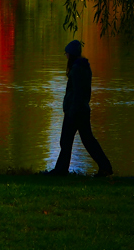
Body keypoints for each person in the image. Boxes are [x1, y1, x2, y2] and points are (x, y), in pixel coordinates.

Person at [50, 39, 113, 176]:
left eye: (67, 54)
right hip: (82, 109)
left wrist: (72, 110)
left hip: (75, 111)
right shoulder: (84, 67)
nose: (66, 56)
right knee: (88, 140)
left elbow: (77, 92)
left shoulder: (77, 69)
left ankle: (61, 170)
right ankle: (105, 166)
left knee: (66, 140)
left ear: (71, 55)